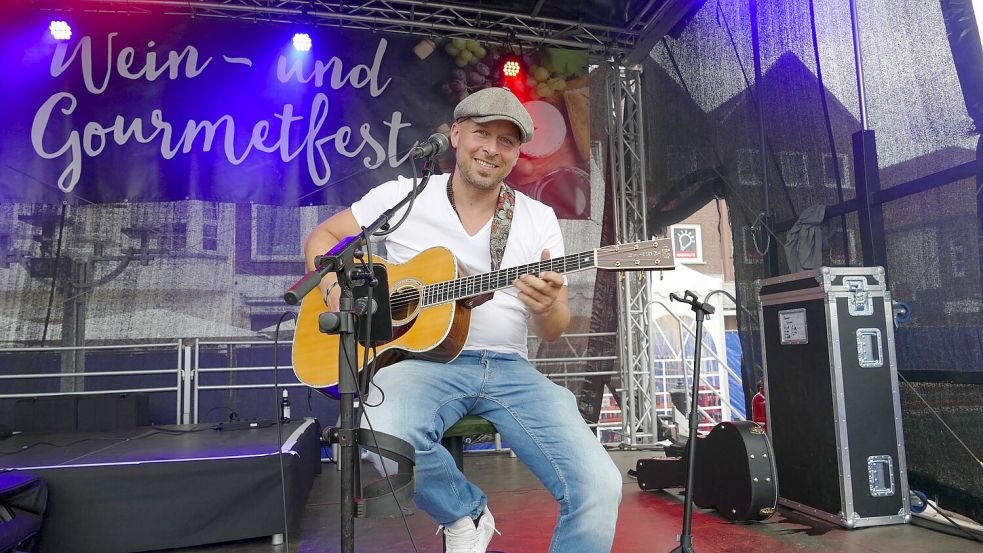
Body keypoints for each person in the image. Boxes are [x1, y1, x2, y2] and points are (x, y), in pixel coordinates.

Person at [304, 87, 622, 553]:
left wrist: (548, 304)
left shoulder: (537, 218)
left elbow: (553, 329)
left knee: (600, 486)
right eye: (481, 133)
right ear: (455, 135)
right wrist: (338, 294)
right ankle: (465, 511)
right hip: (421, 364)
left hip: (510, 368)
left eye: (507, 141)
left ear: (516, 154)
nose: (492, 148)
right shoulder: (403, 198)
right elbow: (323, 237)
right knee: (379, 434)